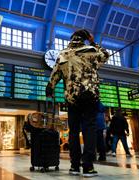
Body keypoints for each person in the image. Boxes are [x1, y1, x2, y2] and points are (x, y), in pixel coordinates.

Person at [46, 29, 109, 177]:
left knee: (73, 132)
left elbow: (54, 77)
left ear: (71, 39)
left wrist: (50, 89)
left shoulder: (62, 54)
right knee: (89, 130)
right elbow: (105, 56)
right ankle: (88, 167)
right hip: (89, 96)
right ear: (85, 38)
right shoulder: (91, 50)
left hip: (72, 98)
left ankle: (74, 166)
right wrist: (93, 42)